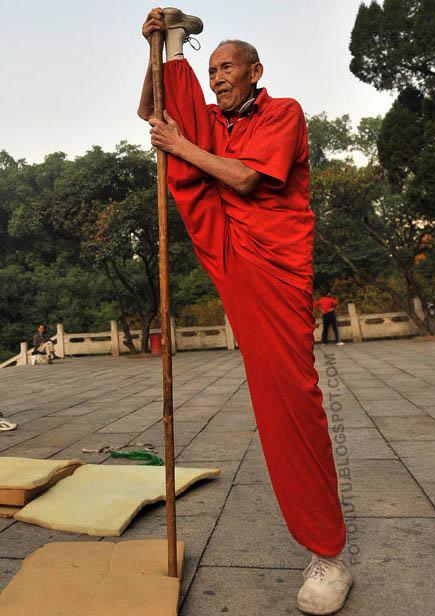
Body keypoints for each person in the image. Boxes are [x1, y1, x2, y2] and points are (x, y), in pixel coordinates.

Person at [138, 8, 353, 614]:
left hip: (273, 265)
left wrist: (179, 143)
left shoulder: (283, 111)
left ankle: (328, 555)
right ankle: (179, 38)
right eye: (210, 70)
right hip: (223, 241)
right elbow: (154, 112)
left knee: (288, 395)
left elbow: (246, 180)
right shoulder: (207, 120)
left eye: (227, 66)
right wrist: (161, 48)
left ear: (256, 71)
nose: (219, 77)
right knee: (177, 127)